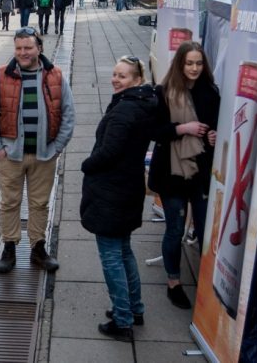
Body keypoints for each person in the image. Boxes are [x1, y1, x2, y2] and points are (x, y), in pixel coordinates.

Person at [0, 27, 75, 274]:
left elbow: (68, 115)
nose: (23, 53)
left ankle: (38, 248)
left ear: (39, 48)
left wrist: (57, 147)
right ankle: (10, 246)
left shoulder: (55, 75)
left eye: (28, 48)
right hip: (10, 155)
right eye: (19, 48)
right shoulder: (1, 76)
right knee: (10, 202)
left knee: (40, 203)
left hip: (44, 155)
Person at [80, 56, 158, 342]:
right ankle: (134, 309)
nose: (116, 79)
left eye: (123, 76)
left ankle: (123, 319)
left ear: (137, 80)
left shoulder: (126, 110)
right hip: (127, 188)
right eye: (114, 74)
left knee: (111, 256)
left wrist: (87, 165)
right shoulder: (139, 103)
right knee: (124, 251)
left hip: (113, 192)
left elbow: (108, 152)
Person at [148, 41, 220, 309]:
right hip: (171, 172)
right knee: (175, 228)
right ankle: (174, 283)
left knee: (204, 229)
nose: (194, 68)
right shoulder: (164, 92)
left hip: (200, 172)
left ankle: (205, 282)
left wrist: (213, 136)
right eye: (189, 63)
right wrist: (183, 128)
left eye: (199, 63)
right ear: (180, 64)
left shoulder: (211, 94)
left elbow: (215, 130)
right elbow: (155, 131)